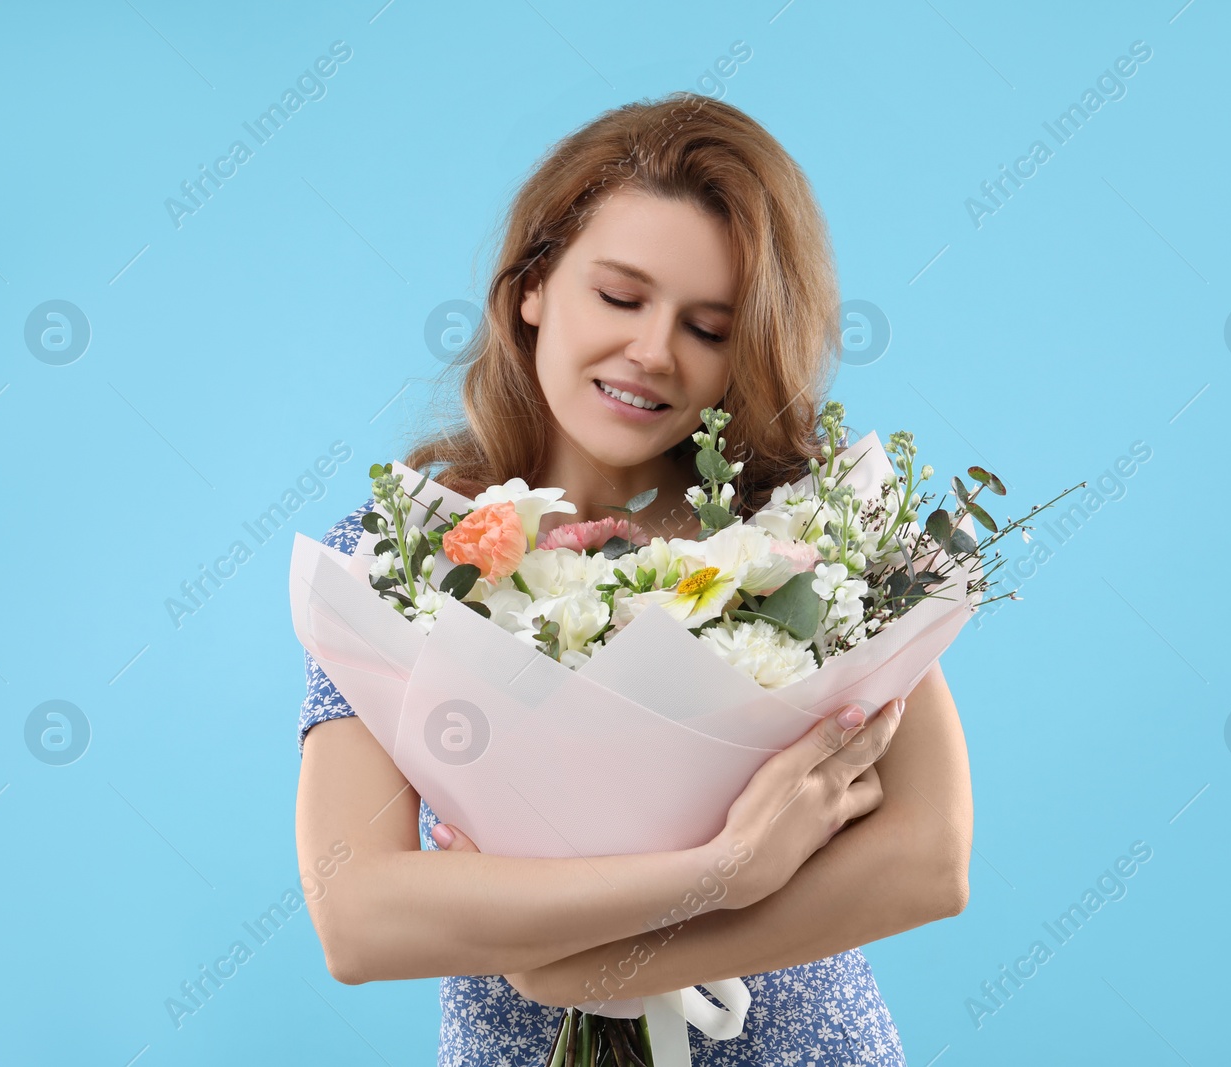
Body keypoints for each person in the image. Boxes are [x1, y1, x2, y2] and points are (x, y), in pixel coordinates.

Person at [294, 92, 973, 1065]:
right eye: (619, 296)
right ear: (531, 285)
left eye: (707, 326)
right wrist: (725, 871)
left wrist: (579, 968)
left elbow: (927, 858)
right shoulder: (403, 550)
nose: (653, 351)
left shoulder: (807, 534)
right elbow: (357, 912)